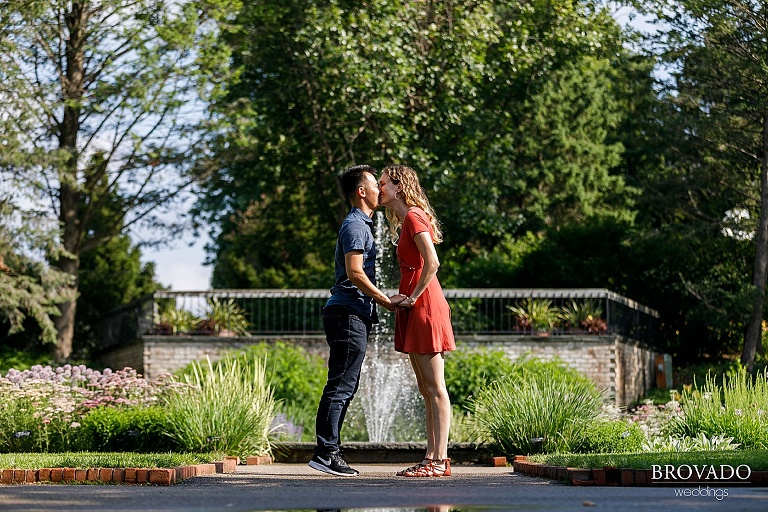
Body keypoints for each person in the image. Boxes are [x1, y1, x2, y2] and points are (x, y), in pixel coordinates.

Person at [308, 164, 398, 477]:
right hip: (347, 312)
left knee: (346, 383)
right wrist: (384, 298)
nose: (380, 190)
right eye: (376, 185)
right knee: (342, 383)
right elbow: (355, 272)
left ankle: (328, 450)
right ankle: (326, 452)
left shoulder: (362, 224)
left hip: (351, 312)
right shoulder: (356, 225)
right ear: (362, 191)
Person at [378, 164, 456, 478]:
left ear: (399, 186)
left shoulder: (413, 216)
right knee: (426, 388)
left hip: (425, 306)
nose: (379, 188)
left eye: (383, 183)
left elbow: (432, 262)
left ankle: (439, 460)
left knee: (436, 387)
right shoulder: (407, 219)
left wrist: (413, 297)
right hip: (414, 306)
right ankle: (431, 457)